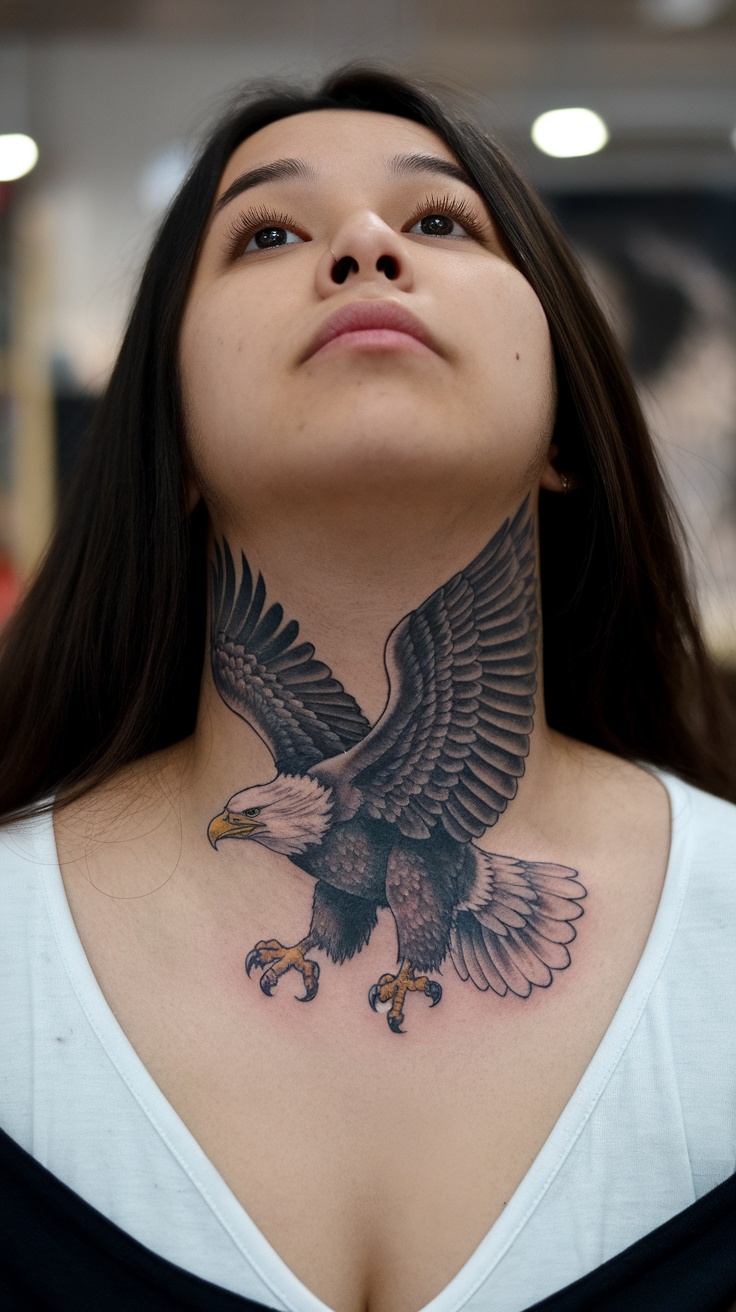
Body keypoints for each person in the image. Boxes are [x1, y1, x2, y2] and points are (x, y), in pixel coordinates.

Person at [0, 66, 734, 1312]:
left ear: (564, 422)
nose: (363, 244)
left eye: (441, 221)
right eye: (267, 232)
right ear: (165, 436)